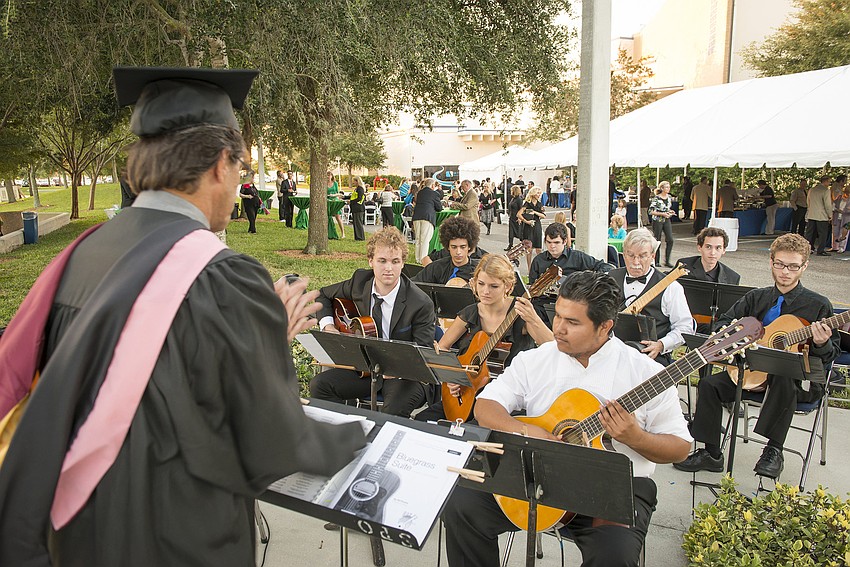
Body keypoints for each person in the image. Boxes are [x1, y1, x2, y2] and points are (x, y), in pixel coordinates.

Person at [0, 66, 366, 566]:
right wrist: (360, 436)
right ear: (220, 163)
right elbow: (269, 444)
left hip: (81, 530)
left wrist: (259, 341)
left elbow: (157, 375)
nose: (239, 186)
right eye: (240, 171)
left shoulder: (83, 254)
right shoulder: (223, 278)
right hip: (176, 535)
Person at [442, 271, 692, 567]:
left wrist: (635, 437)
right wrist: (525, 431)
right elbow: (485, 405)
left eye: (572, 322)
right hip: (535, 475)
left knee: (615, 555)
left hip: (614, 487)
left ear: (605, 327)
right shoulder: (537, 359)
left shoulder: (645, 373)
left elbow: (680, 447)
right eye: (558, 316)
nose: (558, 328)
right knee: (461, 504)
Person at [674, 233, 840, 479]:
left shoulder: (818, 305)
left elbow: (830, 356)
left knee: (784, 374)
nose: (785, 272)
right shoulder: (756, 297)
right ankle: (711, 453)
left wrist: (821, 342)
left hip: (798, 383)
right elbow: (725, 322)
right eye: (780, 264)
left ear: (804, 266)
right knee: (709, 384)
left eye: (793, 266)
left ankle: (773, 450)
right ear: (771, 261)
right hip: (751, 374)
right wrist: (739, 331)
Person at [311, 227, 436, 417]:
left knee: (391, 412)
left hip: (404, 375)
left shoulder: (420, 303)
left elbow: (423, 353)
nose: (388, 268)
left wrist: (396, 368)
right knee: (320, 386)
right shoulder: (360, 282)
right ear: (371, 261)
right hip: (366, 369)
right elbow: (323, 295)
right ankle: (345, 432)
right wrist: (328, 326)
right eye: (382, 261)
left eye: (395, 261)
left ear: (403, 263)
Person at [414, 254, 553, 422]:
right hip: (466, 393)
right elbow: (442, 348)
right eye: (481, 284)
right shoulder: (471, 312)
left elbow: (553, 347)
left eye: (493, 286)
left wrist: (534, 319)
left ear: (507, 286)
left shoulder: (520, 313)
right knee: (422, 420)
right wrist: (451, 378)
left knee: (471, 430)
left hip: (504, 400)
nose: (485, 291)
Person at [609, 228, 695, 366]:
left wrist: (661, 345)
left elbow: (685, 327)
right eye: (630, 255)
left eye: (642, 256)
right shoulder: (610, 278)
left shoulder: (671, 287)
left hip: (652, 359)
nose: (635, 262)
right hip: (613, 355)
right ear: (623, 254)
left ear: (653, 256)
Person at [413, 215, 479, 285]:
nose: (458, 252)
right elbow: (413, 285)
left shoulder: (478, 271)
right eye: (454, 247)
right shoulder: (436, 267)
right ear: (448, 247)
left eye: (463, 247)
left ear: (469, 247)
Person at [676, 227, 741, 285]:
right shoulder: (684, 265)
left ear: (724, 250)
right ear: (699, 247)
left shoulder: (732, 278)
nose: (713, 253)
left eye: (718, 248)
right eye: (708, 247)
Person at [412, 177, 443, 263]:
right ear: (433, 185)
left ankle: (417, 258)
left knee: (418, 238)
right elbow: (439, 208)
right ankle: (423, 259)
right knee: (425, 239)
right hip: (427, 217)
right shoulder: (434, 193)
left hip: (417, 216)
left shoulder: (420, 193)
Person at [649, 180, 676, 268]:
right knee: (657, 239)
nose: (668, 189)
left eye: (669, 187)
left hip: (666, 220)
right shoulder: (656, 198)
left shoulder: (668, 198)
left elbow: (667, 208)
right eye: (666, 187)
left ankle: (667, 260)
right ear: (662, 188)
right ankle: (656, 261)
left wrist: (670, 212)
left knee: (670, 239)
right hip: (657, 220)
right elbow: (651, 211)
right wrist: (662, 214)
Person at [805, 174, 834, 256]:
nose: (829, 183)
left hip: (811, 213)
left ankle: (808, 248)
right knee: (822, 233)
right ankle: (820, 250)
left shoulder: (812, 189)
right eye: (829, 182)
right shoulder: (826, 190)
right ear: (826, 181)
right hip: (821, 215)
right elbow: (827, 204)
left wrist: (810, 209)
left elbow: (808, 201)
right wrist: (830, 215)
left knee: (810, 233)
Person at [518, 186, 545, 273]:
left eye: (539, 193)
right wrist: (526, 221)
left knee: (538, 248)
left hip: (537, 226)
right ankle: (529, 269)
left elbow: (543, 215)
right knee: (529, 249)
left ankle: (539, 268)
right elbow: (519, 214)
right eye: (537, 193)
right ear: (533, 194)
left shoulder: (539, 204)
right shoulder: (527, 203)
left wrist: (535, 212)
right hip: (528, 227)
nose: (539, 195)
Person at [830, 174, 847, 251]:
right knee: (837, 229)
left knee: (841, 229)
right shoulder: (836, 188)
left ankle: (839, 246)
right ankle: (836, 246)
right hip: (837, 211)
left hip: (843, 213)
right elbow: (834, 199)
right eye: (844, 181)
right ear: (841, 181)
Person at [326, 172, 345, 238]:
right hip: (328, 201)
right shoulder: (324, 184)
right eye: (327, 175)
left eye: (329, 175)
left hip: (335, 201)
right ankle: (329, 232)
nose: (328, 177)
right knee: (327, 217)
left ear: (332, 176)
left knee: (338, 217)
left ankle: (343, 233)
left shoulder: (335, 183)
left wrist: (334, 195)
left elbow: (338, 193)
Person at [505, 185, 524, 250]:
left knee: (519, 232)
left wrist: (519, 218)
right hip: (512, 217)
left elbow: (521, 208)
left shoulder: (519, 199)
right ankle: (510, 245)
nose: (511, 191)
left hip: (517, 218)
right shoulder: (513, 198)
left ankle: (523, 244)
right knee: (511, 232)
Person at [349, 176, 367, 241]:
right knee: (355, 223)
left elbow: (359, 198)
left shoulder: (360, 189)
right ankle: (357, 236)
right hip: (355, 208)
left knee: (358, 223)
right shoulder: (356, 189)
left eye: (354, 181)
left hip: (359, 208)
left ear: (357, 181)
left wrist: (351, 201)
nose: (353, 182)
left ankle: (361, 237)